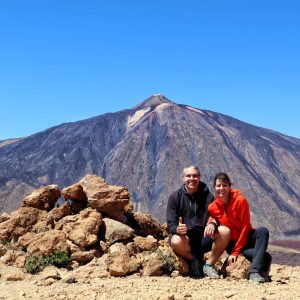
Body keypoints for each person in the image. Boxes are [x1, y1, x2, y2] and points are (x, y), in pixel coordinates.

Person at [167, 166, 230, 278]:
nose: (192, 178)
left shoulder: (208, 197)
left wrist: (212, 223)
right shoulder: (174, 197)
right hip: (185, 240)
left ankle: (208, 265)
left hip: (203, 238)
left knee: (224, 232)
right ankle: (193, 260)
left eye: (195, 176)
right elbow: (170, 224)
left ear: (199, 177)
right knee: (176, 240)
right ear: (183, 178)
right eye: (188, 176)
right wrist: (177, 229)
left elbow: (217, 217)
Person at [208, 172, 272, 283]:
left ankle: (255, 272)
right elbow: (212, 217)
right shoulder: (213, 207)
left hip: (246, 236)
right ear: (214, 187)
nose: (221, 188)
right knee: (266, 257)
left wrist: (236, 252)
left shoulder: (240, 200)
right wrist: (211, 223)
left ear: (229, 186)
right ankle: (262, 272)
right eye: (218, 185)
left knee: (263, 231)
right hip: (232, 243)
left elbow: (245, 226)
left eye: (225, 185)